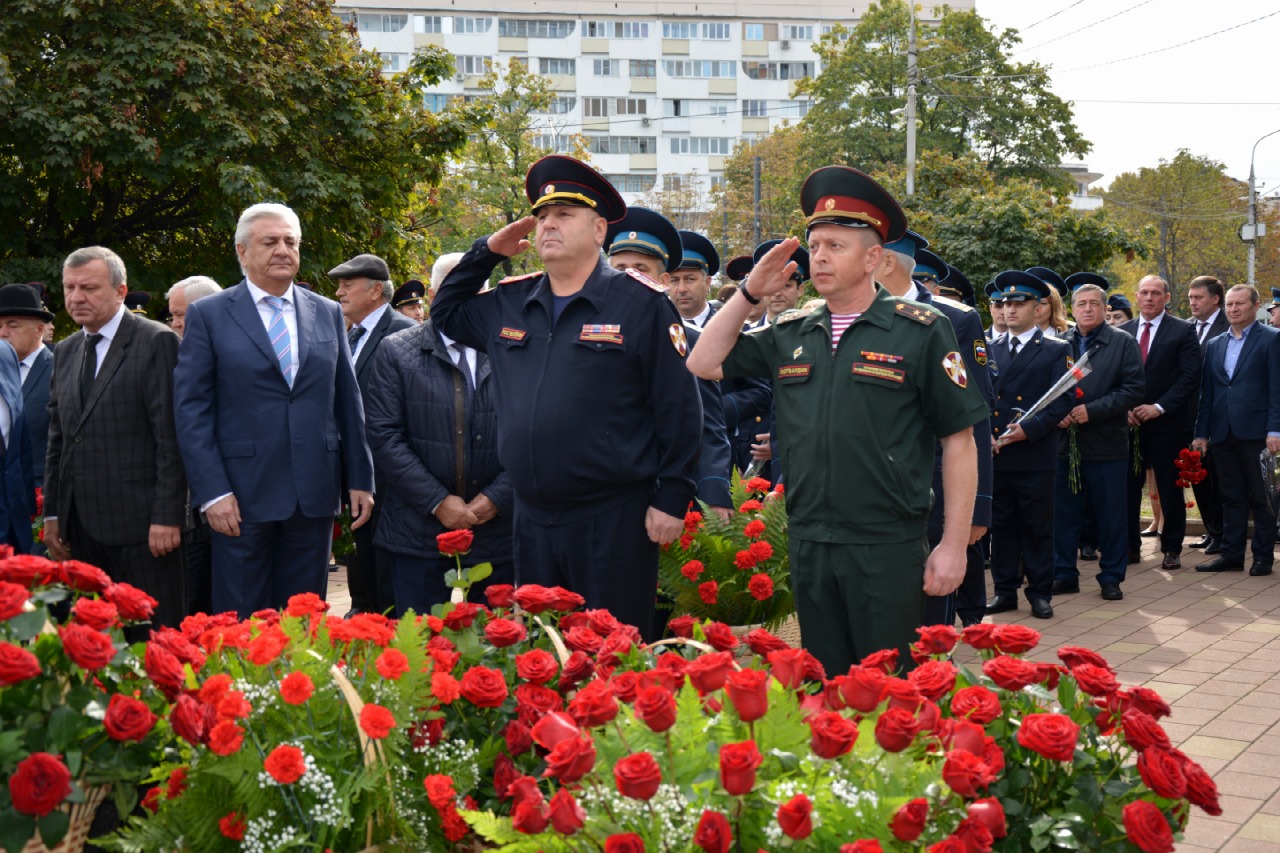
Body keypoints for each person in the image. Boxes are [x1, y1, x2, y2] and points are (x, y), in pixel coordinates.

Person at [686, 165, 989, 674]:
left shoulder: (920, 330)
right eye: (816, 245)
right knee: (825, 683)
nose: (820, 257)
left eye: (835, 245)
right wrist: (748, 294)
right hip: (808, 541)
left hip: (885, 544)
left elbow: (960, 442)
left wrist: (953, 545)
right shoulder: (791, 329)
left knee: (891, 687)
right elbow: (703, 362)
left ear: (873, 257)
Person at [431, 155, 702, 640]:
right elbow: (446, 313)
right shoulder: (511, 301)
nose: (547, 225)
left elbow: (679, 408)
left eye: (564, 215)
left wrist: (673, 498)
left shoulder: (641, 305)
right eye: (541, 217)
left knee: (612, 655)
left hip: (612, 517)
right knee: (545, 655)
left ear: (600, 230)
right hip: (531, 517)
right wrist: (488, 251)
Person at [173, 203, 374, 617]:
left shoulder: (327, 311)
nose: (283, 250)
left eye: (290, 241)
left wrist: (360, 478)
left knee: (306, 620)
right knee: (243, 620)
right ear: (242, 252)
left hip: (313, 493)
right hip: (241, 497)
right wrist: (213, 493)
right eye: (270, 241)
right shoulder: (209, 315)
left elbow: (346, 399)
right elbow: (191, 410)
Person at [45, 247, 187, 626]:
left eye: (88, 287)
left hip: (145, 532)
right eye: (69, 287)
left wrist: (167, 517)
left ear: (121, 291)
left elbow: (170, 438)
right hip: (81, 530)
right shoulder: (66, 350)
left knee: (153, 639)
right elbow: (59, 438)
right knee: (94, 643)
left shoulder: (155, 342)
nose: (76, 297)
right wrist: (54, 513)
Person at [364, 285, 514, 616]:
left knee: (496, 649)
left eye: (478, 292)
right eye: (458, 288)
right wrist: (437, 501)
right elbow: (384, 435)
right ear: (434, 293)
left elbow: (533, 431)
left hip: (497, 529)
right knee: (421, 648)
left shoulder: (511, 347)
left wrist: (500, 496)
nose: (468, 301)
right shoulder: (397, 351)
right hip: (417, 529)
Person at [877, 231, 993, 627]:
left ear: (884, 261)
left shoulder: (954, 319)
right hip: (861, 496)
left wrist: (979, 506)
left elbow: (973, 416)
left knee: (926, 627)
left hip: (933, 492)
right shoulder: (840, 315)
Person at [604, 208, 734, 518]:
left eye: (641, 268)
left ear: (662, 280)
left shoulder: (683, 338)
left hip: (651, 495)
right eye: (620, 267)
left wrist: (715, 492)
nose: (629, 276)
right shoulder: (577, 331)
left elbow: (703, 422)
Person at [985, 271, 1075, 619]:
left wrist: (1029, 429)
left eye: (1018, 303)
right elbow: (980, 397)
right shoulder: (988, 348)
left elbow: (1062, 401)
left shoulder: (1056, 349)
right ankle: (1005, 591)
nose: (1009, 310)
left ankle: (1040, 593)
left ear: (1038, 309)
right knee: (1002, 526)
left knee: (1037, 527)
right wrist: (987, 435)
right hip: (998, 451)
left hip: (1034, 452)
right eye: (1004, 303)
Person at [330, 253, 416, 616]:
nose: (338, 293)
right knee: (360, 558)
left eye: (347, 285)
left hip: (388, 474)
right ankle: (361, 613)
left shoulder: (401, 332)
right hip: (354, 471)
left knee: (385, 570)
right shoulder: (348, 334)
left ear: (376, 290)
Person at [1052, 283, 1144, 600]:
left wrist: (1092, 411)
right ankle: (1064, 572)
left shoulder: (1122, 342)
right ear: (1071, 309)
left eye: (1094, 303)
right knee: (1063, 513)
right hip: (1064, 445)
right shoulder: (1058, 342)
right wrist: (1057, 414)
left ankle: (1111, 577)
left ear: (1105, 309)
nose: (1087, 309)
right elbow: (1045, 388)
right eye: (1081, 303)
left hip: (1106, 444)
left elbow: (1133, 389)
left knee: (1111, 516)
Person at [1193, 285, 1280, 575]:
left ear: (1256, 306)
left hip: (1258, 433)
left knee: (1262, 497)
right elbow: (1208, 392)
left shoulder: (1271, 339)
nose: (1233, 309)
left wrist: (1275, 430)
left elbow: (1276, 389)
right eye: (1229, 304)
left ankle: (1263, 557)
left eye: (1240, 304)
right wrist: (1201, 433)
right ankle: (1231, 555)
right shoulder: (1216, 343)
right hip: (1222, 432)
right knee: (1231, 495)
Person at [1119, 274, 1201, 571]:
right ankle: (1129, 548)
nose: (1150, 298)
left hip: (1167, 424)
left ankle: (1171, 548)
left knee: (1169, 487)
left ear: (1166, 297)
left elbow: (1189, 377)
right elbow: (1115, 376)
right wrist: (1123, 408)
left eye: (1156, 293)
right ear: (1137, 297)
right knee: (1128, 487)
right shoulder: (1123, 331)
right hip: (1129, 424)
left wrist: (1159, 406)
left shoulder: (1182, 330)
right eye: (1144, 293)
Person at [1186, 275, 1229, 553]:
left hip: (1219, 415)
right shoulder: (1187, 328)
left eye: (1198, 297)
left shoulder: (1229, 327)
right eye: (1190, 298)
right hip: (1190, 415)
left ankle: (1223, 533)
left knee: (1219, 479)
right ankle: (1211, 530)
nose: (1192, 303)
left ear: (1215, 299)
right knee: (1197, 476)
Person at [0, 284, 53, 490]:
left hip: (38, 496)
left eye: (12, 325)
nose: (3, 333)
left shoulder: (61, 371)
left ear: (39, 329)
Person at [668, 231, 718, 328]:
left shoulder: (729, 328)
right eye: (674, 280)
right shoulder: (656, 329)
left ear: (707, 282)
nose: (682, 289)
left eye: (690, 279)